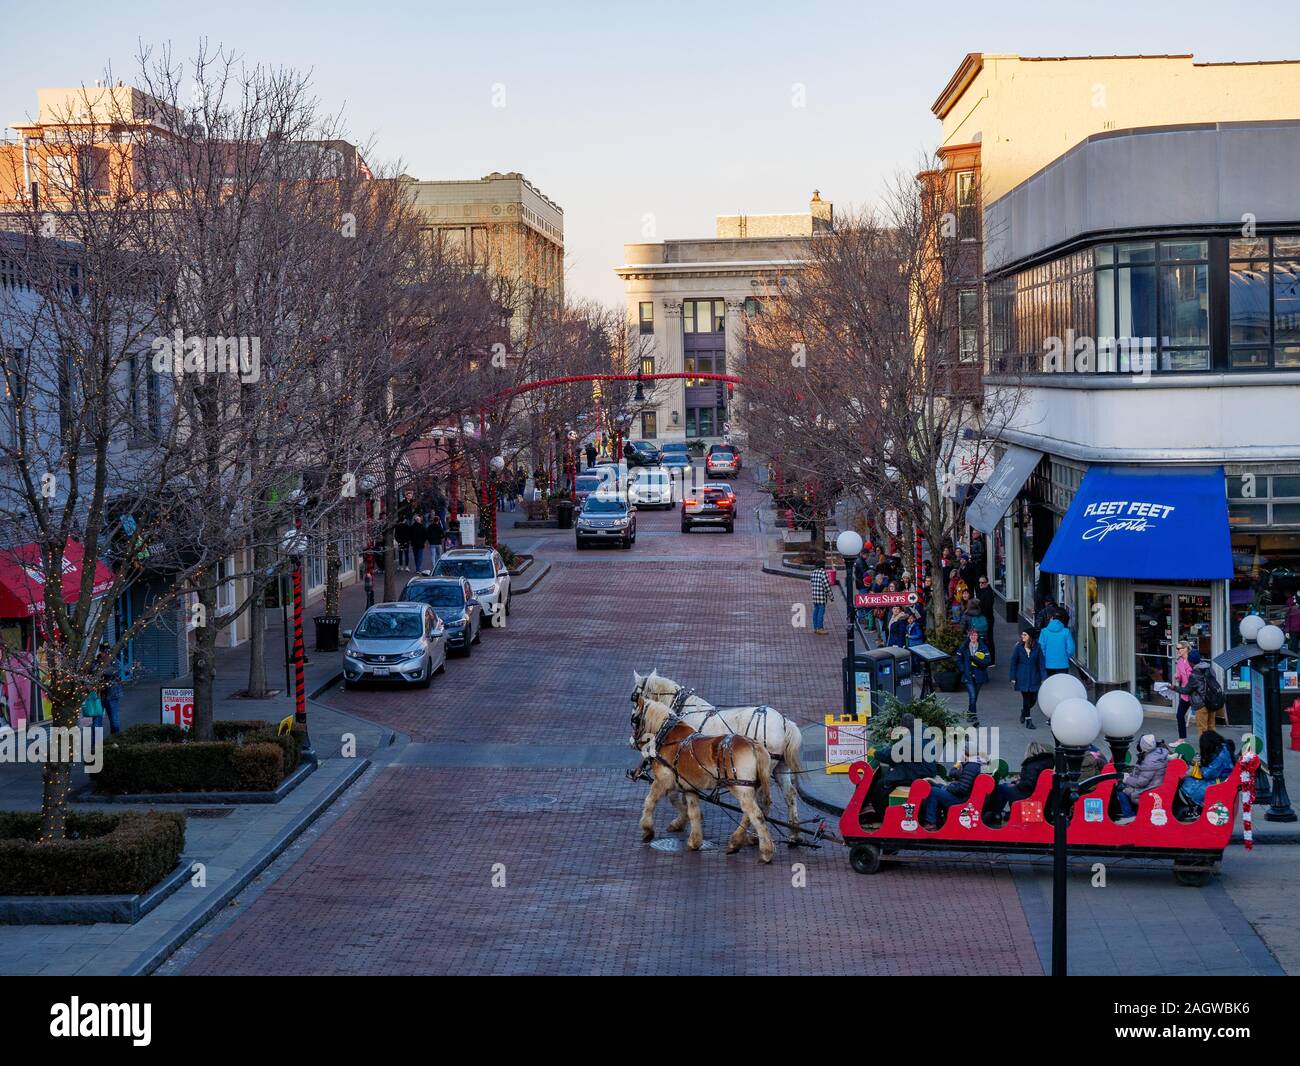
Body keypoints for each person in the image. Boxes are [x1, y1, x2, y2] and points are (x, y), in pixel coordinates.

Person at [987, 740, 1055, 824]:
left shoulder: (1032, 764)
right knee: (1008, 786)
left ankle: (996, 815)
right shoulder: (1045, 763)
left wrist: (1018, 784)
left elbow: (1029, 784)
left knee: (1001, 788)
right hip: (1036, 794)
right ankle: (1008, 814)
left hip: (1028, 794)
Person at [922, 747, 988, 830]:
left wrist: (946, 787)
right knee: (934, 786)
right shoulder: (973, 765)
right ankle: (937, 819)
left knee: (934, 791)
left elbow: (962, 789)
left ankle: (930, 822)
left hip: (962, 799)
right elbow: (952, 773)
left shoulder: (971, 766)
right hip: (965, 795)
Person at [1115, 734, 1170, 822]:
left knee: (1120, 788)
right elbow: (1143, 774)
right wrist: (1129, 775)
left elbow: (1141, 782)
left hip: (1148, 790)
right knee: (1123, 783)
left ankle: (1129, 815)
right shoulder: (1158, 753)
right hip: (1154, 784)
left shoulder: (1150, 761)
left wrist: (1126, 779)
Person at [1179, 729, 1235, 810]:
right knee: (1188, 780)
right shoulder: (1223, 746)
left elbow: (1206, 774)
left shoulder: (1221, 757)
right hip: (1224, 779)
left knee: (1186, 783)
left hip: (1220, 783)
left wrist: (1194, 767)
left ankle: (1197, 806)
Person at [1171, 649, 1221, 736]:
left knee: (1202, 729)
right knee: (1211, 727)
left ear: (1191, 662)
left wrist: (1173, 687)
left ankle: (1205, 749)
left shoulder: (1194, 675)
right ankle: (1214, 748)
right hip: (1212, 702)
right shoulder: (1210, 669)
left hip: (1201, 704)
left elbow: (1186, 690)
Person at [1009, 627, 1046, 729]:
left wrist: (1044, 678)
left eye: (1025, 635)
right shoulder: (1018, 647)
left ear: (1030, 637)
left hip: (1034, 677)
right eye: (1022, 635)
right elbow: (1013, 663)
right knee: (1026, 698)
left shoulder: (1037, 647)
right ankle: (1028, 720)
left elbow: (1041, 663)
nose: (1023, 636)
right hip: (1022, 677)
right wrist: (1013, 676)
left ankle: (1024, 711)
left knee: (1033, 699)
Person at [954, 626, 990, 724]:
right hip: (968, 675)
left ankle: (970, 713)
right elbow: (958, 659)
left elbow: (987, 661)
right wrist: (963, 669)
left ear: (978, 636)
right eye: (971, 635)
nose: (973, 636)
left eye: (975, 635)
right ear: (969, 636)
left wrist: (976, 660)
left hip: (979, 675)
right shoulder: (964, 646)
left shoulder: (983, 647)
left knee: (974, 697)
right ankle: (974, 717)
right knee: (973, 696)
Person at [99, 642, 124, 737]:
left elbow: (116, 671)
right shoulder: (97, 660)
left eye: (106, 651)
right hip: (99, 695)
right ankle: (96, 744)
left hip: (112, 695)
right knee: (97, 721)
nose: (105, 653)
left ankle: (115, 739)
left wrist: (102, 670)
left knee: (114, 719)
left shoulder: (114, 661)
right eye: (103, 651)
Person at [1038, 612, 1075, 676]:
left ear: (1051, 619)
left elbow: (1041, 648)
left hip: (1048, 664)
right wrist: (1066, 656)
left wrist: (1045, 657)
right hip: (1063, 664)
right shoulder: (1066, 631)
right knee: (1061, 684)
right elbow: (1071, 649)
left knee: (1051, 684)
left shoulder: (1044, 631)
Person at [1173, 640, 1193, 740]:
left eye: (1179, 648)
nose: (1177, 651)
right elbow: (1180, 677)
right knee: (1179, 715)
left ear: (1186, 649)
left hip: (1196, 693)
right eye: (1176, 649)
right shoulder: (1179, 661)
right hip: (1185, 693)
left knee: (1203, 720)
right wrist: (1177, 677)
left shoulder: (1192, 660)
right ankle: (1181, 738)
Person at [976, 575, 997, 665]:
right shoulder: (983, 591)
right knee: (985, 639)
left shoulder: (988, 593)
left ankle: (991, 661)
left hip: (987, 619)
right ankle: (988, 659)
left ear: (987, 583)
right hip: (985, 618)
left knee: (988, 639)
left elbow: (987, 608)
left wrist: (979, 611)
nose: (980, 584)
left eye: (983, 582)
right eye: (980, 582)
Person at [809, 566, 830, 635]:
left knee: (816, 610)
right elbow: (826, 586)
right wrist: (831, 596)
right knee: (821, 612)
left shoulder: (813, 573)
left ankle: (815, 628)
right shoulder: (823, 573)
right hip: (821, 597)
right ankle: (820, 628)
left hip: (815, 596)